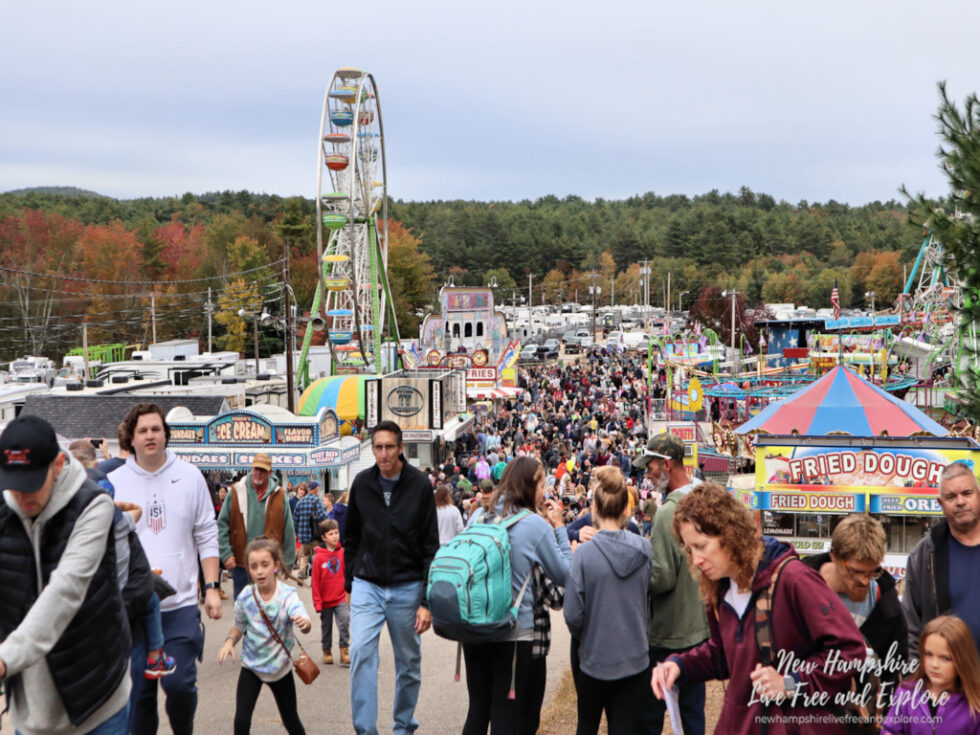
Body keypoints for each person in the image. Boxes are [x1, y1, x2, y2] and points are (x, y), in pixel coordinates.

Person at [650, 483, 867, 735]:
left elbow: (850, 649)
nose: (696, 559)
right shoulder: (721, 589)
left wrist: (792, 682)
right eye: (689, 550)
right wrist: (679, 665)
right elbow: (725, 656)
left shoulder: (793, 579)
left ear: (729, 534)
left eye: (701, 546)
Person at [0, 414, 132, 734]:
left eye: (31, 483)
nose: (21, 495)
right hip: (32, 709)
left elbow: (66, 591)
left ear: (58, 464)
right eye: (12, 484)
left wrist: (4, 659)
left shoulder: (93, 506)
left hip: (96, 698)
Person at [110, 402, 223, 735]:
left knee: (180, 686)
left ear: (166, 434)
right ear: (131, 437)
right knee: (139, 694)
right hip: (132, 607)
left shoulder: (190, 476)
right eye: (142, 430)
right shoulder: (113, 481)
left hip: (180, 604)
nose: (150, 436)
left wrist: (213, 587)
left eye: (156, 429)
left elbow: (206, 532)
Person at [462, 455, 571, 735]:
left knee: (477, 710)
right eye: (543, 484)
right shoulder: (534, 524)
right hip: (513, 631)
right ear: (530, 485)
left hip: (475, 625)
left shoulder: (480, 515)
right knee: (505, 712)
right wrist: (559, 528)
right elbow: (566, 575)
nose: (545, 491)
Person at [345, 420, 439, 735]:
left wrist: (426, 600)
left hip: (408, 587)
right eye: (377, 447)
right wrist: (349, 584)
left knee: (409, 664)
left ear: (401, 448)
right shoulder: (361, 484)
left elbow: (431, 547)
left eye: (389, 447)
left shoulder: (420, 485)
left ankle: (403, 726)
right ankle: (365, 730)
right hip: (367, 585)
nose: (383, 454)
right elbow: (351, 539)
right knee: (360, 654)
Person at [564, 466, 651, 735]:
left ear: (595, 508)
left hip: (593, 658)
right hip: (634, 657)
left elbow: (573, 616)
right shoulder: (645, 549)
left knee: (586, 726)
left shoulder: (585, 555)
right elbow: (649, 600)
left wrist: (588, 636)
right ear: (626, 508)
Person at [633, 431, 708, 735]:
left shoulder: (667, 513)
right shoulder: (703, 499)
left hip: (668, 635)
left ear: (666, 465)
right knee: (692, 715)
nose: (647, 475)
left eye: (650, 466)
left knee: (649, 717)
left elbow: (661, 578)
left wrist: (634, 576)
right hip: (699, 629)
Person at [803, 513, 907, 730]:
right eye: (855, 571)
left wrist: (887, 717)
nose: (863, 580)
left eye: (872, 572)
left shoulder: (884, 598)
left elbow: (896, 666)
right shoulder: (800, 586)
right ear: (834, 557)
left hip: (861, 724)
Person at [218, 537, 311, 735]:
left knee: (291, 721)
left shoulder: (286, 595)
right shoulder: (245, 596)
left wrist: (305, 622)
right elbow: (238, 627)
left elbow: (301, 616)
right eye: (254, 566)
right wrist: (229, 642)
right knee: (241, 722)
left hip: (280, 669)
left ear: (276, 566)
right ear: (248, 570)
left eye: (265, 565)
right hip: (251, 667)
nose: (259, 571)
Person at [903, 462, 980, 657]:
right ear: (941, 504)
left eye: (967, 493)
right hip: (947, 680)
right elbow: (911, 627)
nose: (960, 501)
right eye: (951, 497)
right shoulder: (924, 555)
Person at [882, 615, 980, 734]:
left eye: (945, 658)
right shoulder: (906, 692)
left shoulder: (974, 705)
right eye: (928, 654)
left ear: (963, 660)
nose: (934, 664)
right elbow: (889, 730)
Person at [218, 453, 297, 600]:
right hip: (242, 564)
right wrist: (226, 554)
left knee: (268, 609)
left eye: (263, 470)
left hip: (269, 564)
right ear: (251, 469)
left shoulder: (279, 495)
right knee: (243, 611)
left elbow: (288, 529)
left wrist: (288, 562)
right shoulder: (236, 491)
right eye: (256, 469)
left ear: (270, 472)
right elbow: (221, 525)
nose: (259, 473)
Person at [312, 518, 349, 665]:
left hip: (340, 598)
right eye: (331, 534)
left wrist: (349, 593)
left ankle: (344, 649)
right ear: (323, 537)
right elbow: (315, 582)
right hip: (325, 600)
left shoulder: (342, 553)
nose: (335, 536)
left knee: (344, 623)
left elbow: (347, 574)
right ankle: (326, 651)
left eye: (336, 532)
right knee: (326, 628)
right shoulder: (319, 558)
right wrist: (317, 602)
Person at [294, 481, 327, 580]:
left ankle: (301, 574)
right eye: (318, 489)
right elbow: (323, 517)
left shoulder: (300, 502)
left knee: (304, 555)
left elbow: (295, 519)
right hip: (314, 536)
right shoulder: (317, 502)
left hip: (303, 537)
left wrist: (297, 532)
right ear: (315, 490)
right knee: (315, 556)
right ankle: (315, 579)